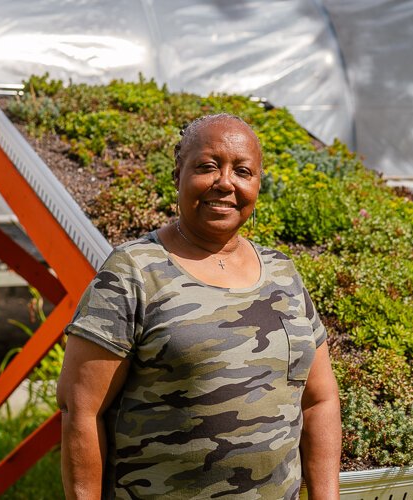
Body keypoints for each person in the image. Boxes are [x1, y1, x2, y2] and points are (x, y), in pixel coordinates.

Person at [57, 114, 341, 499]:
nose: (226, 183)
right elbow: (80, 410)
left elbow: (319, 400)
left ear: (257, 184)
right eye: (208, 167)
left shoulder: (282, 272)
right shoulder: (133, 272)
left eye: (243, 171)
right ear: (178, 176)